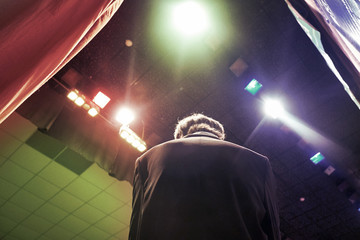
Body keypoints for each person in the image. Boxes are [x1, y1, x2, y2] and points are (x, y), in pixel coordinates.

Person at [129, 113, 280, 240]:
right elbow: (273, 229)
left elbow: (137, 228)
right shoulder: (259, 162)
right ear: (219, 136)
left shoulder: (147, 160)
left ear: (179, 136)